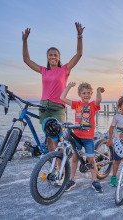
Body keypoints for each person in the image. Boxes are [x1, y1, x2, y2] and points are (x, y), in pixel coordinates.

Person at [22, 22, 85, 153]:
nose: (53, 57)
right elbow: (26, 60)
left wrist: (79, 35)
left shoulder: (64, 69)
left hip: (58, 107)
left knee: (58, 137)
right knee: (50, 139)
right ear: (47, 57)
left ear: (59, 58)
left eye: (55, 55)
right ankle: (55, 168)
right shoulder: (43, 70)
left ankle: (61, 164)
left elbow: (79, 54)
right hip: (44, 107)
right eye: (50, 55)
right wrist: (25, 41)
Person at [60, 82, 105, 193]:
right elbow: (62, 98)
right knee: (75, 158)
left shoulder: (93, 105)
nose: (86, 95)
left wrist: (98, 90)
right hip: (77, 136)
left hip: (88, 137)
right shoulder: (77, 104)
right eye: (84, 93)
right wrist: (69, 87)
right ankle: (72, 180)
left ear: (91, 94)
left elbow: (99, 100)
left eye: (88, 93)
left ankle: (94, 180)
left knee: (91, 160)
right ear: (79, 94)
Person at [106, 95, 123, 186]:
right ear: (119, 107)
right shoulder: (116, 117)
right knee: (117, 161)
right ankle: (114, 177)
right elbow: (111, 128)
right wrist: (110, 140)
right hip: (118, 143)